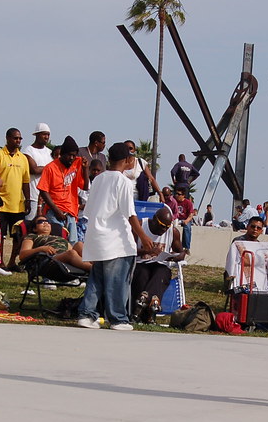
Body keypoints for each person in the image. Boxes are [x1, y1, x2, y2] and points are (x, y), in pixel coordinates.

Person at [76, 142, 159, 331]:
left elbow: (89, 210)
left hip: (96, 237)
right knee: (117, 281)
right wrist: (144, 237)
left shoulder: (98, 180)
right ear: (128, 161)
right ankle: (118, 318)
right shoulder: (123, 182)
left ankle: (87, 315)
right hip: (116, 240)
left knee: (97, 279)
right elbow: (130, 214)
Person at [131, 206, 185, 324]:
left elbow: (181, 252)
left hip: (161, 265)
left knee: (161, 273)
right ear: (154, 218)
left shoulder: (173, 232)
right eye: (162, 225)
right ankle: (150, 312)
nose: (164, 229)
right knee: (142, 275)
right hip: (141, 263)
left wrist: (175, 256)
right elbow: (128, 250)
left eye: (167, 226)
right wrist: (147, 251)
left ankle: (144, 300)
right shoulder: (140, 226)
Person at [0, 127, 30, 272]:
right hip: (1, 205)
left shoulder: (23, 158)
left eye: (20, 138)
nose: (18, 141)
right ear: (7, 138)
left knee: (18, 236)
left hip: (17, 205)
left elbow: (26, 181)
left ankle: (12, 262)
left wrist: (28, 200)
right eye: (15, 138)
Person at [38, 135, 86, 242]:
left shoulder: (76, 164)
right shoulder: (50, 168)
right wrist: (56, 210)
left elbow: (85, 186)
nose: (72, 158)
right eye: (69, 155)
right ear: (62, 154)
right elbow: (43, 190)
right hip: (54, 212)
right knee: (58, 242)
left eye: (74, 155)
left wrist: (85, 169)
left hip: (71, 212)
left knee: (73, 242)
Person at [17, 216, 92, 271]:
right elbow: (23, 255)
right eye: (40, 222)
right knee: (71, 253)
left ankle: (95, 264)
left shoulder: (60, 238)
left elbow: (73, 251)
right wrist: (41, 249)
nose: (45, 223)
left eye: (47, 221)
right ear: (34, 228)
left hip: (66, 259)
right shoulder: (32, 236)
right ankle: (93, 269)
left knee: (79, 244)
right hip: (48, 261)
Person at [24, 123, 53, 221]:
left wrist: (43, 168)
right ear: (37, 135)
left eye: (48, 135)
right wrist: (49, 168)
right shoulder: (28, 150)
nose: (46, 137)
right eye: (44, 134)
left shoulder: (49, 152)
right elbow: (34, 169)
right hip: (33, 195)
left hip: (47, 197)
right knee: (30, 224)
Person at [171, 185, 195, 250]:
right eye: (176, 194)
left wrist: (186, 221)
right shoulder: (173, 201)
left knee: (187, 228)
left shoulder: (188, 203)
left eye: (179, 194)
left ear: (183, 195)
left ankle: (186, 247)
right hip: (176, 218)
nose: (176, 195)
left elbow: (191, 214)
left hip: (185, 219)